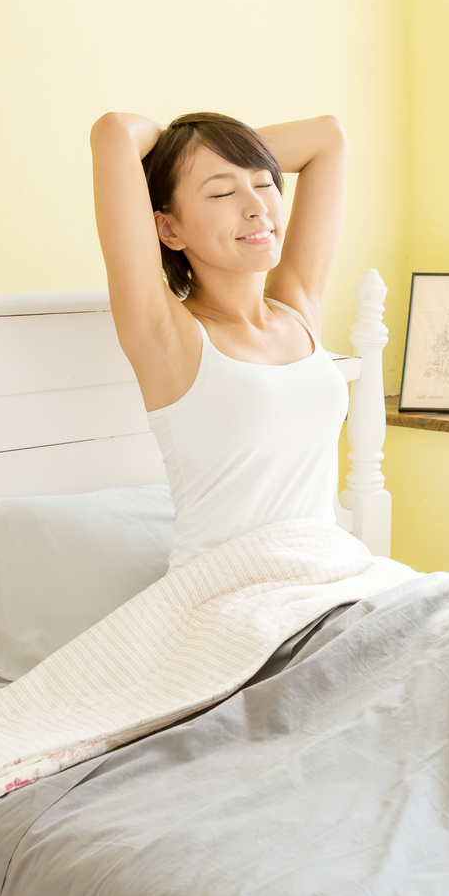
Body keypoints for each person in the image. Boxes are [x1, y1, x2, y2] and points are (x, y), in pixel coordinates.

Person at [89, 110, 350, 568]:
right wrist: (182, 148)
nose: (257, 207)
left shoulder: (298, 310)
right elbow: (113, 133)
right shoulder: (169, 339)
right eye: (222, 192)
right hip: (229, 588)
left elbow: (328, 137)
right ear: (169, 229)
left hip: (332, 574)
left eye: (264, 182)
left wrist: (209, 150)